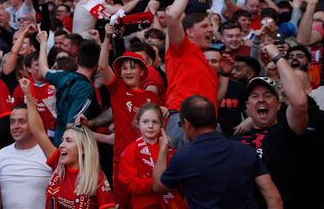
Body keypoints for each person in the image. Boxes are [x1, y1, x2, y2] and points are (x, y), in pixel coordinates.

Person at [153, 95, 282, 209]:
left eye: (181, 124)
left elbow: (158, 187)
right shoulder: (247, 151)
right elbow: (273, 198)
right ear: (214, 120)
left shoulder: (183, 158)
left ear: (187, 123)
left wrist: (163, 148)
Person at [232, 42, 310, 208]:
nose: (261, 99)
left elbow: (299, 103)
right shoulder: (234, 140)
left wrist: (278, 57)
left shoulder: (287, 130)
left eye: (268, 95)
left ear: (279, 104)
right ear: (247, 106)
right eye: (254, 96)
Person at [19, 79, 115, 209]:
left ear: (83, 148)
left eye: (68, 141)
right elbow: (38, 131)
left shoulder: (96, 178)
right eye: (63, 140)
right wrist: (29, 96)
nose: (61, 145)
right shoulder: (58, 163)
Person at [97, 26, 160, 207]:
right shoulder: (118, 89)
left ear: (142, 71)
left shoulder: (153, 98)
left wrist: (162, 113)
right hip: (122, 158)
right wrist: (107, 37)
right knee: (123, 204)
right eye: (124, 68)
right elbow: (102, 66)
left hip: (147, 159)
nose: (128, 72)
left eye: (133, 68)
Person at [164, 0, 221, 149]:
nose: (210, 29)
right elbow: (173, 16)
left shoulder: (205, 61)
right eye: (204, 26)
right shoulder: (182, 49)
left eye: (210, 26)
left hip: (210, 126)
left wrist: (224, 74)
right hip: (186, 123)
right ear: (188, 32)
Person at [118, 103, 186, 209]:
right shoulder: (130, 151)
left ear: (162, 125)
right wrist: (158, 183)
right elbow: (129, 182)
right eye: (145, 122)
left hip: (172, 203)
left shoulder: (170, 150)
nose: (150, 126)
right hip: (145, 204)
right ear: (137, 123)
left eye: (155, 122)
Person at [37, 30, 99, 147]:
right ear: (97, 65)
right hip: (72, 149)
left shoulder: (63, 75)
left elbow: (43, 70)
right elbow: (72, 125)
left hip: (57, 142)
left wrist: (43, 43)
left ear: (76, 59)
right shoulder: (85, 89)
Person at [0, 104, 52, 209]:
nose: (16, 126)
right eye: (12, 122)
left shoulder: (48, 153)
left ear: (33, 124)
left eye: (21, 121)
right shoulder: (2, 154)